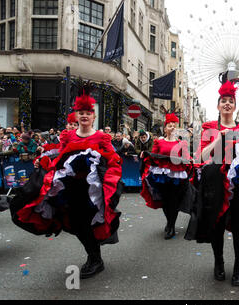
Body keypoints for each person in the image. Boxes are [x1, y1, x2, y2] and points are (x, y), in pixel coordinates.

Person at [10, 84, 124, 279]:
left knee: (85, 223)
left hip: (92, 191)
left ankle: (95, 258)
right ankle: (95, 257)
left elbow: (114, 160)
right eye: (81, 112)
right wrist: (44, 160)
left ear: (93, 116)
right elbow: (59, 157)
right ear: (76, 115)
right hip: (69, 188)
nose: (85, 116)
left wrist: (108, 180)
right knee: (76, 223)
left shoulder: (102, 137)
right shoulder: (68, 135)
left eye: (88, 112)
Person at [185, 81, 239, 287]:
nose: (227, 104)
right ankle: (219, 263)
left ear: (234, 105)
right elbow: (201, 156)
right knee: (217, 225)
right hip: (215, 184)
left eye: (230, 101)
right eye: (223, 101)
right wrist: (219, 139)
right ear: (218, 106)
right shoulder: (208, 128)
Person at [141, 113, 191, 239]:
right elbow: (154, 156)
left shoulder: (182, 143)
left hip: (176, 175)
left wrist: (189, 160)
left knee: (173, 200)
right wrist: (144, 155)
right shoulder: (159, 141)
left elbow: (186, 158)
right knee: (164, 200)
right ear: (165, 128)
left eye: (174, 126)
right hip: (161, 175)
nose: (172, 128)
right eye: (170, 126)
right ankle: (169, 222)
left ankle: (171, 226)